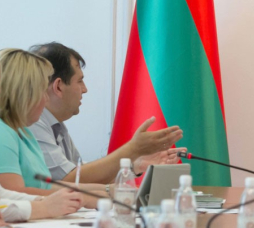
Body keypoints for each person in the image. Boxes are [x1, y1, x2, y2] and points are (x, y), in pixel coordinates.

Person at [28, 42, 183, 183]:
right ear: (58, 87)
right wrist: (133, 149)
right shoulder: (33, 122)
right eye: (80, 81)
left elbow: (82, 174)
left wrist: (136, 165)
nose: (85, 89)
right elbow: (68, 179)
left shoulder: (56, 124)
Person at [0, 49, 101, 207]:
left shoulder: (24, 131)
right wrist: (87, 198)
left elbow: (46, 187)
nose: (46, 98)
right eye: (42, 91)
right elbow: (10, 194)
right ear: (24, 93)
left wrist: (104, 191)